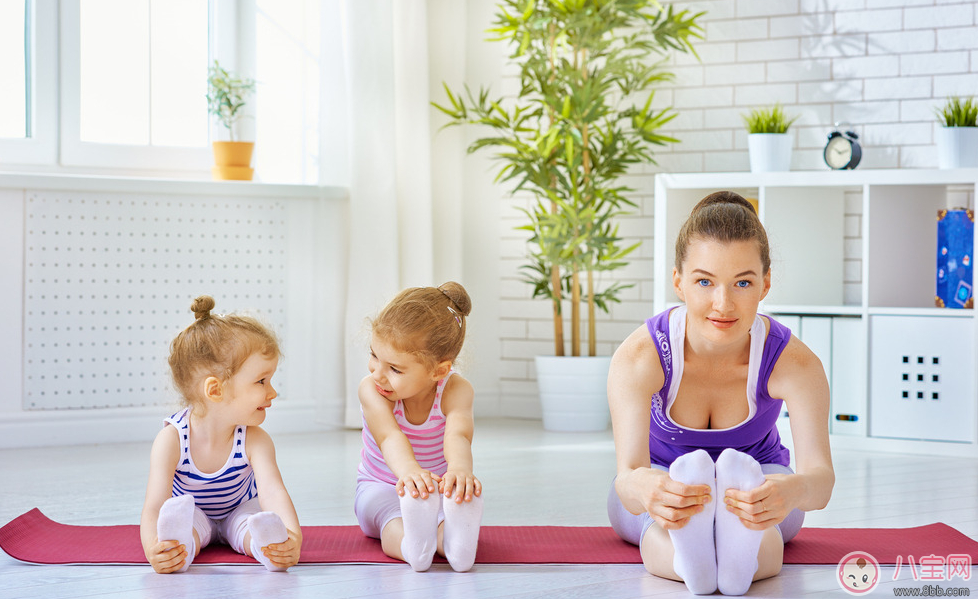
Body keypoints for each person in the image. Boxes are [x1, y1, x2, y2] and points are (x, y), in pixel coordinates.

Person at [606, 191, 835, 596]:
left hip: (759, 480)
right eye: (704, 281)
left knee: (762, 522)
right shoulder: (641, 356)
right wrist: (649, 489)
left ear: (765, 283)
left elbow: (821, 480)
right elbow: (628, 475)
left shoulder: (794, 363)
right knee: (651, 518)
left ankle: (734, 561)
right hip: (664, 477)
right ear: (678, 281)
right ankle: (693, 560)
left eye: (742, 282)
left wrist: (790, 490)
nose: (723, 303)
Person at [139, 296, 302, 573]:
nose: (272, 392)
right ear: (215, 390)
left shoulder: (254, 439)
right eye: (261, 381)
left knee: (250, 525)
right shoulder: (172, 440)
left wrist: (293, 537)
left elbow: (273, 493)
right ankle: (177, 547)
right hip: (194, 513)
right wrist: (153, 548)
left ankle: (270, 548)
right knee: (187, 527)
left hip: (240, 509)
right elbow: (155, 504)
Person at [355, 282, 483, 572]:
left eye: (395, 369)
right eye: (374, 355)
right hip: (381, 486)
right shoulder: (372, 390)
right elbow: (389, 436)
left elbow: (458, 434)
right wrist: (410, 472)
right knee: (390, 519)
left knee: (440, 516)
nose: (377, 373)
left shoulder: (456, 390)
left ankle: (455, 547)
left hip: (433, 491)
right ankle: (411, 548)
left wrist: (459, 471)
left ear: (439, 370)